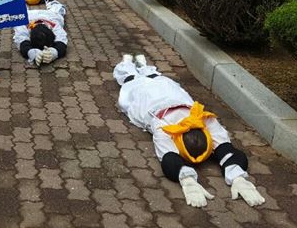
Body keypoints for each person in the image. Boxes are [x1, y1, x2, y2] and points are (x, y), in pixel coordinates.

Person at [113, 54, 265, 208]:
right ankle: (129, 64)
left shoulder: (204, 120)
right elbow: (169, 157)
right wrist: (187, 180)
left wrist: (238, 177)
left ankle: (141, 64)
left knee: (157, 79)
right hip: (148, 100)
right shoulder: (164, 128)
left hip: (171, 95)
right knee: (133, 82)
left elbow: (225, 150)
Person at [13, 0, 67, 68]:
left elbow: (21, 40)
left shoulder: (22, 23)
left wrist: (53, 53)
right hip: (50, 14)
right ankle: (51, 0)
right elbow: (61, 41)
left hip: (37, 15)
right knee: (58, 8)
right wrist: (55, 51)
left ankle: (51, 0)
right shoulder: (55, 23)